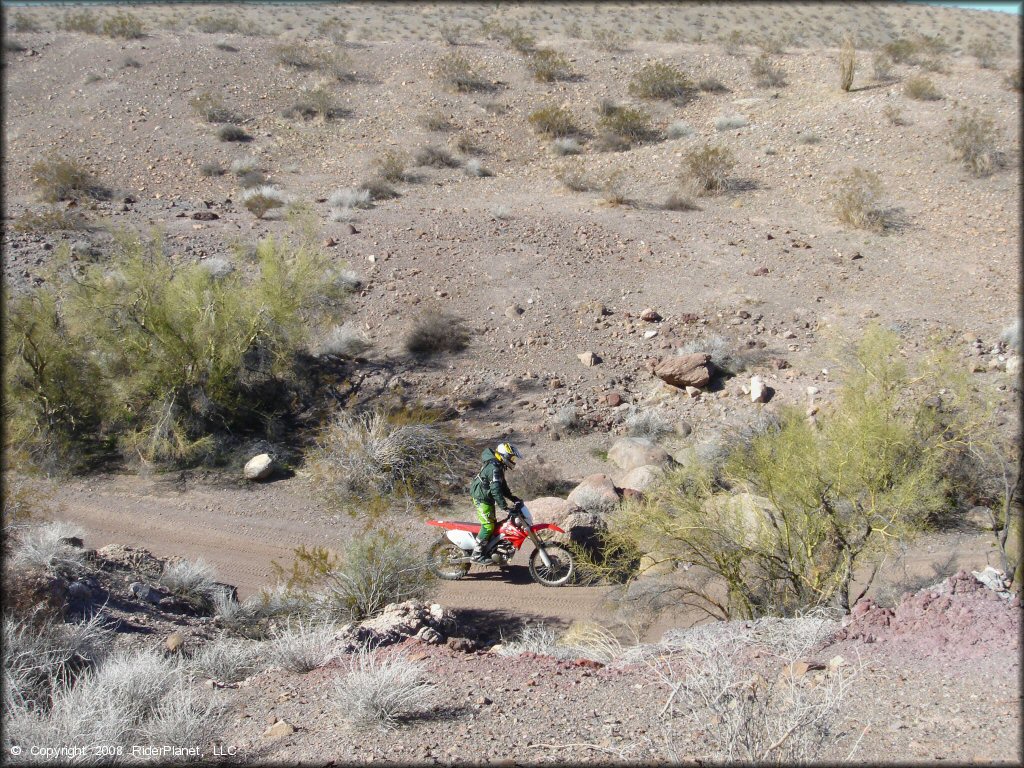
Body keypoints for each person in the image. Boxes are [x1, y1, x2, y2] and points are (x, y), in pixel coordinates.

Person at [468, 442, 522, 563]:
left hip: (486, 497)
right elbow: (496, 490)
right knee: (488, 526)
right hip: (481, 498)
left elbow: (502, 486)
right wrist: (505, 507)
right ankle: (476, 555)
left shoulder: (498, 465)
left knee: (493, 524)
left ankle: (490, 548)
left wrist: (513, 498)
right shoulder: (494, 468)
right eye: (512, 457)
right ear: (504, 456)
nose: (513, 460)